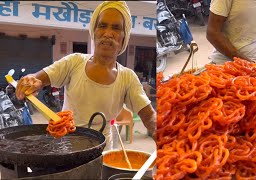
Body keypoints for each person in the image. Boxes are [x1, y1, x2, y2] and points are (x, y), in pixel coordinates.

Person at [15, 1, 156, 139]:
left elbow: (149, 116)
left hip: (102, 151)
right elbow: (38, 79)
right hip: (67, 144)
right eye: (102, 25)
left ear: (124, 36)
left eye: (116, 28)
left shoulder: (128, 78)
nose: (108, 33)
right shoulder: (74, 62)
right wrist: (30, 81)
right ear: (94, 31)